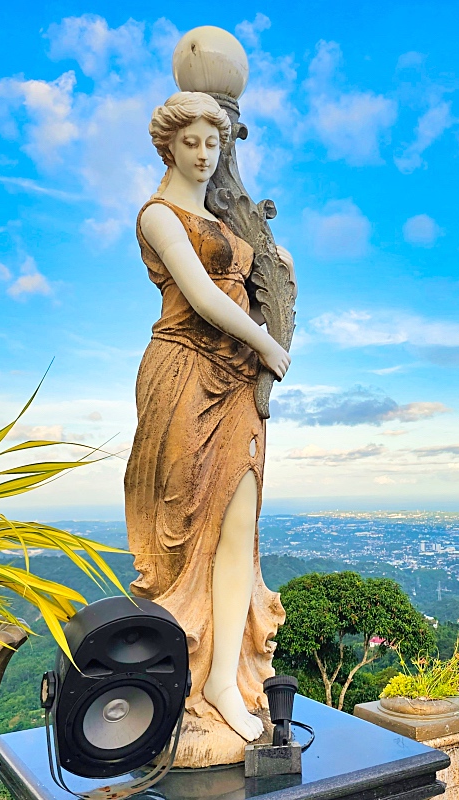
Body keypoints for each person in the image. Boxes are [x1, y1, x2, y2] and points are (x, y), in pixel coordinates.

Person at [125, 91, 291, 743]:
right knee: (188, 524)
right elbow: (198, 295)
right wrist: (267, 343)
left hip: (236, 379)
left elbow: (253, 277)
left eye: (213, 143)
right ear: (168, 144)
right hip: (184, 372)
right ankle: (188, 672)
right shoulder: (159, 216)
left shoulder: (223, 218)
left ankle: (225, 675)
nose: (203, 153)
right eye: (191, 141)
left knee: (238, 526)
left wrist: (278, 275)